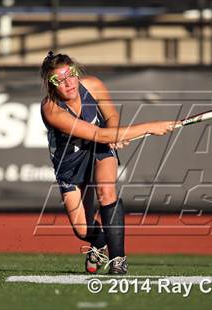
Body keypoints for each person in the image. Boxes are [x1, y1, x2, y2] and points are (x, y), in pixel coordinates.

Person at [40, 51, 176, 275]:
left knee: (106, 192)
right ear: (51, 84)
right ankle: (99, 242)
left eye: (70, 74)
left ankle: (118, 260)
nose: (68, 83)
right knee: (82, 229)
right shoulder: (51, 109)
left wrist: (113, 133)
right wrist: (149, 127)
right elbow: (96, 134)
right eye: (59, 80)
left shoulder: (93, 85)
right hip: (70, 162)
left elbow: (111, 116)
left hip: (99, 148)